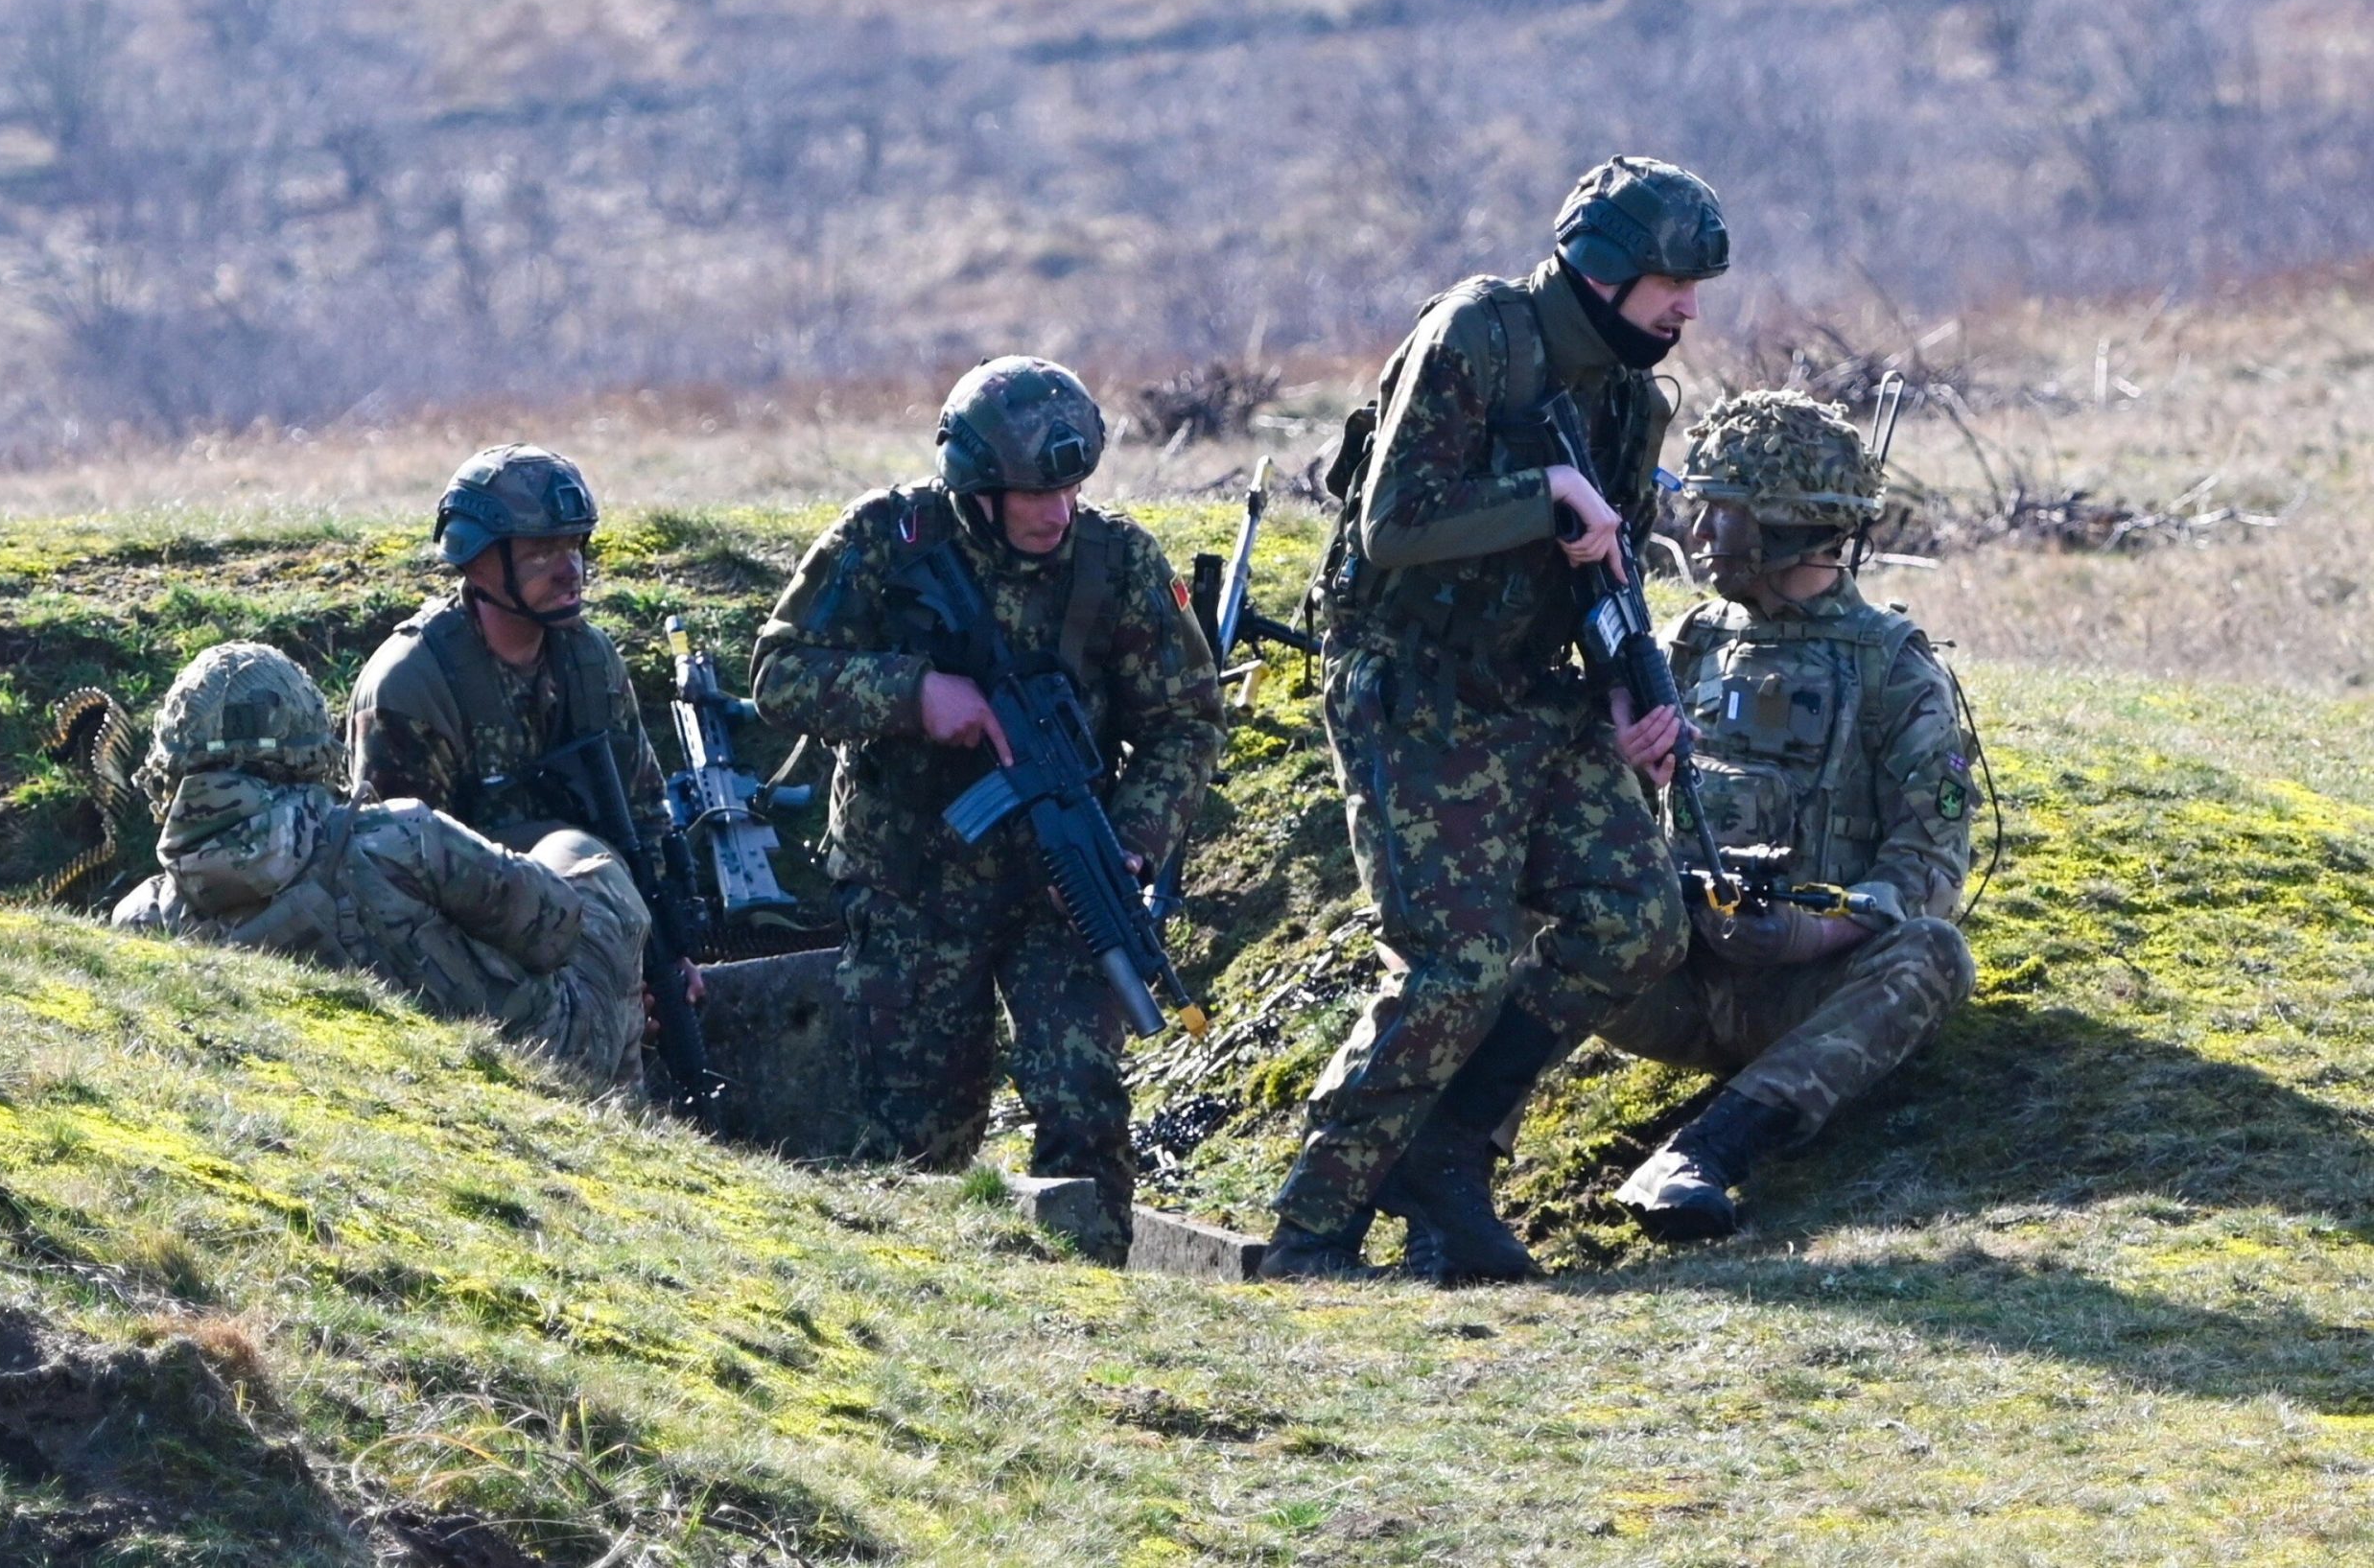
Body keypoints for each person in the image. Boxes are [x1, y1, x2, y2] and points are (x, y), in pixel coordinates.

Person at [1264, 155, 1731, 1282]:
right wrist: (1541, 497)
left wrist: (1631, 687)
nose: (1687, 307)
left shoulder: (1631, 397)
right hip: (1414, 685)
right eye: (1672, 280)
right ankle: (1312, 1230)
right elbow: (1392, 524)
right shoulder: (1479, 333)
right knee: (1456, 961)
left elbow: (1599, 566)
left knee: (1637, 920)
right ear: (1604, 268)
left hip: (1538, 689)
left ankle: (1448, 1155)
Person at [749, 356, 1224, 1258]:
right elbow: (778, 672)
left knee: (1085, 1097)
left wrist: (1131, 841)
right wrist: (916, 693)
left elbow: (1185, 722)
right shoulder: (890, 540)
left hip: (1060, 886)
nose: (1056, 511)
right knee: (918, 1128)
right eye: (1031, 493)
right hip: (912, 885)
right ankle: (926, 1308)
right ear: (976, 487)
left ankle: (1098, 1310)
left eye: (1073, 488)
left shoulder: (1116, 560)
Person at [1591, 388, 1979, 1238]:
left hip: (1806, 994)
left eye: (1719, 516)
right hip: (1677, 978)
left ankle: (1704, 1155)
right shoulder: (1693, 641)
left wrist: (1816, 933)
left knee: (1935, 957)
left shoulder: (1895, 671)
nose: (1697, 538)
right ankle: (1454, 1159)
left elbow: (1930, 866)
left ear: (1784, 526)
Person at [113, 642, 649, 1088]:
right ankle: (631, 1111)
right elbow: (556, 927)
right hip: (528, 1065)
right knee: (581, 858)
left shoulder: (143, 920)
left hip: (332, 1099)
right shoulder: (401, 838)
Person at [342, 443, 700, 1010]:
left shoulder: (589, 659)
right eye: (540, 554)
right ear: (477, 561)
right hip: (469, 966)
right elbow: (395, 883)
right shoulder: (412, 683)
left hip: (594, 931)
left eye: (575, 547)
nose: (570, 572)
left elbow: (644, 814)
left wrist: (666, 955)